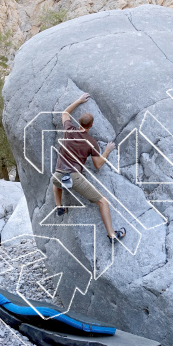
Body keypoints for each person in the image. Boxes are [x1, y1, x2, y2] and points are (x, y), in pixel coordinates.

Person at [52, 93, 126, 243]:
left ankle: (59, 206)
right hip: (73, 178)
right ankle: (112, 235)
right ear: (91, 126)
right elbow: (97, 165)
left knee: (56, 181)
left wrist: (79, 101)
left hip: (59, 175)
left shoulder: (69, 129)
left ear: (78, 122)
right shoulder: (92, 142)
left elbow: (65, 113)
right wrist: (107, 150)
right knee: (103, 202)